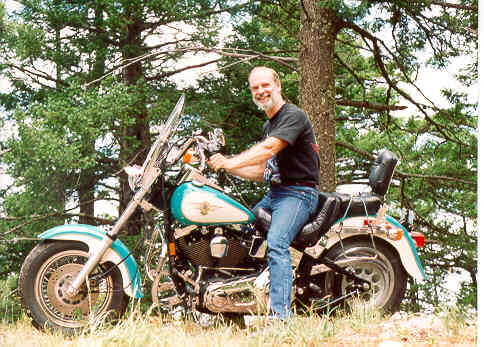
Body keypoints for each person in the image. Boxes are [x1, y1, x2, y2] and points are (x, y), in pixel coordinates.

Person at [208, 66, 320, 320]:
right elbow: (262, 170)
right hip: (276, 193)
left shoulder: (293, 116)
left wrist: (229, 161)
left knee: (277, 244)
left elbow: (269, 149)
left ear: (278, 85)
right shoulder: (268, 125)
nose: (260, 91)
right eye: (255, 88)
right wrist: (225, 168)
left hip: (298, 193)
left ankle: (280, 318)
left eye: (265, 85)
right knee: (241, 232)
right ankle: (229, 308)